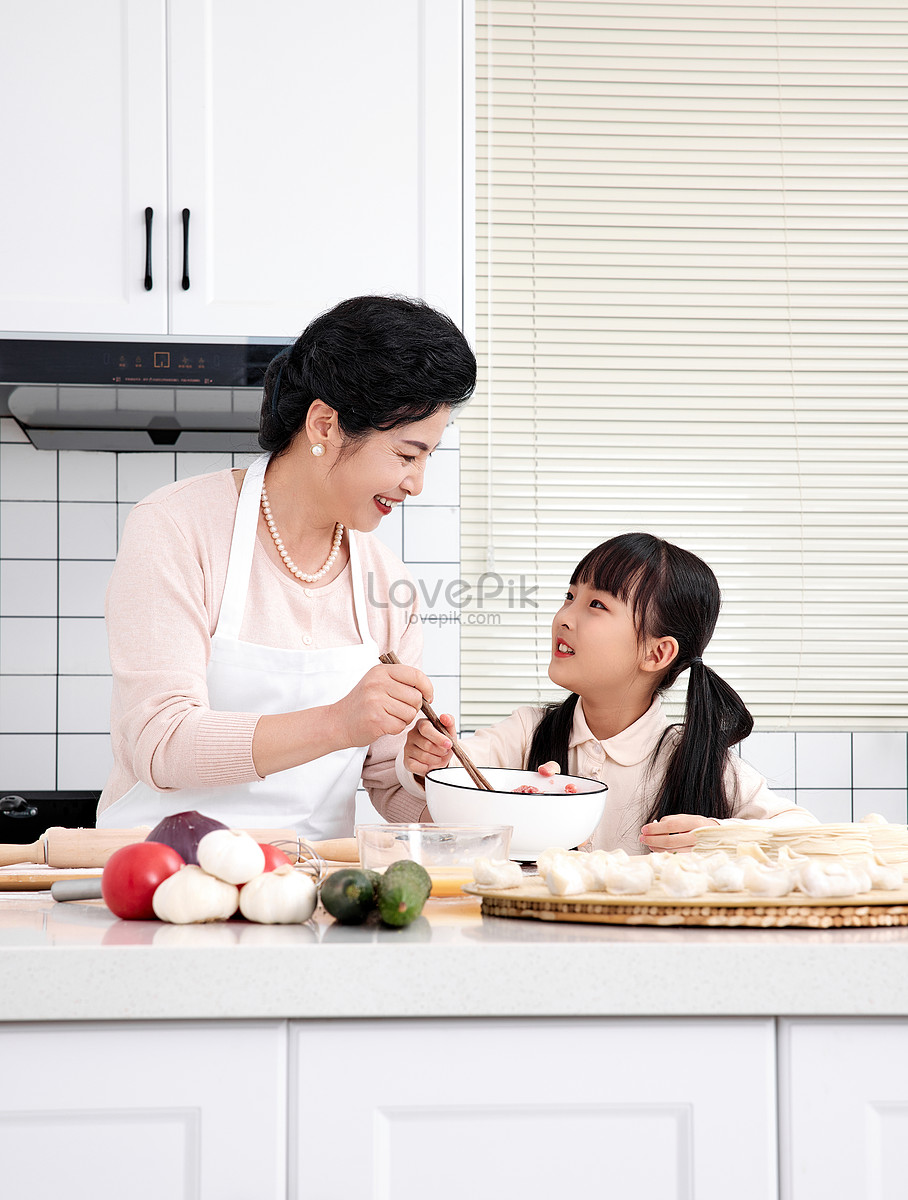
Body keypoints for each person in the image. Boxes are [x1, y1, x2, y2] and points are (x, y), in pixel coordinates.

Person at [97, 295, 477, 837]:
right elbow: (160, 743)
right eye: (405, 454)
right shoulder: (177, 527)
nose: (417, 484)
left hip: (311, 891)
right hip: (161, 876)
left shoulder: (387, 584)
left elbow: (389, 790)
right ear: (324, 425)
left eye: (427, 458)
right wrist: (337, 723)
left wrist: (420, 773)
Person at [398, 531, 818, 853]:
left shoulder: (693, 759)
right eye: (569, 596)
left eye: (596, 605)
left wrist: (723, 836)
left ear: (657, 653)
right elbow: (449, 783)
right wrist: (423, 761)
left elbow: (808, 837)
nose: (564, 617)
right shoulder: (527, 733)